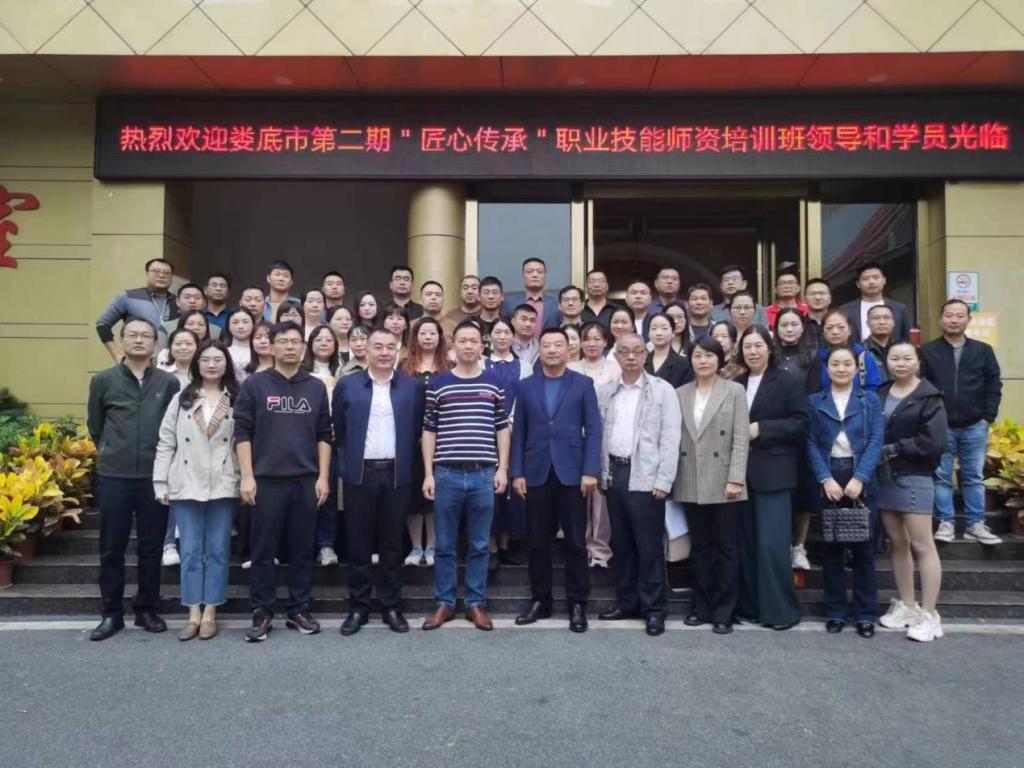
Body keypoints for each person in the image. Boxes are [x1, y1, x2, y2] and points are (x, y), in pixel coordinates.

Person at [234, 321, 332, 642]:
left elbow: (324, 435)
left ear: (303, 348)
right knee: (263, 551)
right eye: (283, 341)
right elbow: (242, 432)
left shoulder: (315, 387)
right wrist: (247, 475)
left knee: (302, 549)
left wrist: (323, 477)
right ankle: (262, 612)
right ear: (271, 347)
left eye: (295, 342)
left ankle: (299, 609)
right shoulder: (255, 385)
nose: (290, 347)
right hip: (266, 481)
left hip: (305, 481)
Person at [87, 317, 180, 641]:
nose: (139, 340)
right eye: (132, 335)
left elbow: (172, 428)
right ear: (122, 340)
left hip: (155, 477)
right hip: (115, 475)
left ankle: (146, 609)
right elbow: (95, 426)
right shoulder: (104, 380)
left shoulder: (168, 383)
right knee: (111, 548)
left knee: (151, 547)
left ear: (155, 343)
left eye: (146, 336)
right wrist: (112, 450)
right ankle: (111, 614)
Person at [333, 329, 425, 635]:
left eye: (390, 347)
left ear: (397, 351)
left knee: (392, 543)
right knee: (358, 543)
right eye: (378, 347)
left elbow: (417, 429)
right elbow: (340, 430)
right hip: (360, 473)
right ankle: (358, 607)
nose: (384, 352)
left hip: (396, 473)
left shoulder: (412, 387)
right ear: (366, 350)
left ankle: (391, 606)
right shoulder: (348, 385)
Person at [511, 328, 603, 633]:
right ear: (541, 350)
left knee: (576, 541)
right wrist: (517, 472)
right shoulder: (525, 386)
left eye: (558, 345)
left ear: (568, 350)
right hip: (536, 472)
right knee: (537, 541)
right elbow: (519, 432)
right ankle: (541, 600)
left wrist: (590, 470)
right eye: (547, 345)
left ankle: (578, 604)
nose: (552, 350)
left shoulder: (583, 384)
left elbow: (594, 429)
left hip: (572, 473)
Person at [421, 321, 510, 632]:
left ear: (481, 346)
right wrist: (428, 473)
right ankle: (444, 603)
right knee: (445, 544)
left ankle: (475, 603)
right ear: (453, 346)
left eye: (474, 340)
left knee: (480, 544)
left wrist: (502, 468)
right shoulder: (439, 384)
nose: (469, 346)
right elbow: (429, 429)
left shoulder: (494, 383)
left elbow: (502, 427)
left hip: (483, 474)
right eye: (463, 340)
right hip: (446, 474)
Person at [153, 340, 239, 641]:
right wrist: (160, 481)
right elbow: (167, 441)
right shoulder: (182, 398)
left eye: (218, 359)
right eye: (206, 360)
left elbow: (244, 442)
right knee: (190, 551)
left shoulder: (237, 398)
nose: (212, 365)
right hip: (186, 480)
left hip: (223, 482)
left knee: (217, 550)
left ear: (226, 364)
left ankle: (211, 611)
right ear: (196, 364)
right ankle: (192, 612)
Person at [598, 333, 681, 636]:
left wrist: (664, 479)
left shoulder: (662, 390)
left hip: (646, 475)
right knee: (621, 544)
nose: (631, 357)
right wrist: (601, 473)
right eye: (624, 352)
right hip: (615, 473)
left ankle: (654, 609)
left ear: (645, 355)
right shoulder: (606, 391)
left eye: (636, 352)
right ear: (616, 356)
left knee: (648, 547)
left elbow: (671, 437)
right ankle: (627, 602)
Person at [672, 335, 750, 635]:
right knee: (701, 548)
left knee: (727, 548)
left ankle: (724, 611)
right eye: (697, 355)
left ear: (720, 359)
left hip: (725, 480)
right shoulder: (680, 393)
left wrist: (736, 478)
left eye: (709, 355)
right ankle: (701, 607)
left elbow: (741, 438)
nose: (703, 361)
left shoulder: (734, 391)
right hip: (691, 477)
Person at [807, 346, 884, 638]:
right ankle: (835, 611)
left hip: (861, 474)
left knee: (864, 550)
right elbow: (810, 442)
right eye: (835, 364)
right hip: (829, 476)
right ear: (827, 369)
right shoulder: (815, 401)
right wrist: (825, 478)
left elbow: (876, 440)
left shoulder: (870, 400)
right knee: (832, 549)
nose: (841, 369)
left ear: (856, 368)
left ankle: (865, 614)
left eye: (847, 364)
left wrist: (860, 477)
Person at [735, 326, 808, 630]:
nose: (753, 351)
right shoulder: (736, 383)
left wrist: (762, 429)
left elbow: (802, 423)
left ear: (769, 348)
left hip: (775, 472)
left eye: (758, 345)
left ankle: (780, 612)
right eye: (747, 346)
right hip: (740, 474)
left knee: (771, 545)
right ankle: (751, 607)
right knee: (747, 545)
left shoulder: (788, 380)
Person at [876, 343, 948, 642]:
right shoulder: (881, 392)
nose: (900, 363)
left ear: (918, 362)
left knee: (922, 545)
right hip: (885, 477)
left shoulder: (929, 396)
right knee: (898, 543)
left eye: (907, 358)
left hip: (915, 475)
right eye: (894, 358)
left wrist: (894, 449)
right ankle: (907, 605)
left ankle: (930, 615)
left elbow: (935, 442)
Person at [922, 299, 1003, 545]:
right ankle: (945, 523)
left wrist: (987, 416)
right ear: (940, 319)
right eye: (949, 315)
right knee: (941, 477)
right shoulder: (928, 351)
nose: (954, 320)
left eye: (959, 315)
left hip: (975, 424)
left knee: (973, 477)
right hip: (941, 424)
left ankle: (975, 524)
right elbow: (922, 387)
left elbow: (994, 384)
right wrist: (929, 419)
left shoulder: (983, 350)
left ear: (969, 319)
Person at [773, 307, 823, 571]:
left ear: (803, 328)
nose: (789, 329)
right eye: (784, 325)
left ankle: (800, 546)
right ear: (776, 328)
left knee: (804, 492)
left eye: (794, 324)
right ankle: (781, 543)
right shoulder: (770, 355)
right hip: (774, 431)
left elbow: (814, 394)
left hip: (803, 430)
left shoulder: (812, 357)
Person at [569, 321, 619, 569]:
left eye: (597, 338)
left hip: (607, 435)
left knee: (600, 494)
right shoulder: (570, 367)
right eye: (587, 338)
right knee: (576, 493)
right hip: (574, 437)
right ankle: (578, 544)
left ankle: (599, 549)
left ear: (606, 341)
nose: (591, 343)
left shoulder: (616, 368)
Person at [401, 317, 450, 567]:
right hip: (409, 439)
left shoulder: (449, 367)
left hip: (443, 439)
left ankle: (432, 546)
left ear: (440, 337)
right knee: (412, 494)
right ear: (415, 337)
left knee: (435, 494)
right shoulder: (404, 367)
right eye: (423, 333)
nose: (428, 337)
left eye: (432, 333)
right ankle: (415, 547)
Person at [484, 317, 529, 567]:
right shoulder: (481, 363)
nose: (502, 337)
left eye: (506, 332)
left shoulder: (524, 365)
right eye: (497, 332)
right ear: (489, 337)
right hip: (485, 434)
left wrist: (511, 422)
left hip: (515, 432)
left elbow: (525, 397)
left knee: (512, 489)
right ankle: (490, 547)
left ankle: (505, 545)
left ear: (513, 337)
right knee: (490, 489)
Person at [302, 324, 342, 567]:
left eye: (329, 339)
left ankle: (326, 545)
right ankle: (304, 546)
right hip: (304, 441)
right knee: (304, 496)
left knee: (328, 495)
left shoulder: (343, 371)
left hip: (333, 441)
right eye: (319, 339)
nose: (324, 343)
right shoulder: (301, 371)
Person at [96, 258, 179, 361]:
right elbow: (103, 324)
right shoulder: (128, 297)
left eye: (167, 273)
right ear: (147, 273)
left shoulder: (179, 302)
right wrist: (117, 356)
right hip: (138, 361)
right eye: (156, 271)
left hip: (172, 363)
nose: (161, 275)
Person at [839, 262, 911, 343]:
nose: (871, 282)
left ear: (884, 280)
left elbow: (905, 339)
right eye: (866, 279)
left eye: (876, 277)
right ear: (858, 284)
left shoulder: (899, 308)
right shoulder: (845, 310)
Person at [818, 310, 882, 392]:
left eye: (841, 327)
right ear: (823, 331)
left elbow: (873, 386)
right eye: (829, 328)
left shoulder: (862, 356)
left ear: (850, 330)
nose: (835, 332)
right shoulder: (818, 358)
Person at [501, 257, 561, 332]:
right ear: (523, 276)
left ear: (545, 276)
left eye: (539, 272)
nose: (535, 275)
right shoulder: (509, 304)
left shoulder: (556, 304)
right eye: (530, 271)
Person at [645, 312, 692, 388]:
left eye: (664, 328)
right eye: (654, 328)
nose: (658, 333)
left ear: (673, 333)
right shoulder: (642, 361)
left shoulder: (684, 364)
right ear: (648, 333)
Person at [864, 304, 896, 384]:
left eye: (886, 318)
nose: (882, 322)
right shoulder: (860, 351)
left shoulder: (901, 349)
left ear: (893, 322)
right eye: (876, 318)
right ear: (867, 323)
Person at [224, 308, 254, 381]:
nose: (240, 326)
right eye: (235, 322)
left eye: (245, 322)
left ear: (253, 324)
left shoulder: (261, 349)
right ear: (228, 326)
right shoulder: (223, 351)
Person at [803, 277, 832, 348]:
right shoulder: (799, 325)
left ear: (830, 298)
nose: (817, 297)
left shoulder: (840, 324)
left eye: (822, 293)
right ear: (805, 299)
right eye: (812, 294)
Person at [477, 276, 505, 346]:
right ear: (479, 296)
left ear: (502, 296)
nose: (491, 296)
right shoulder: (471, 324)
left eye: (495, 292)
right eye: (486, 292)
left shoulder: (509, 325)